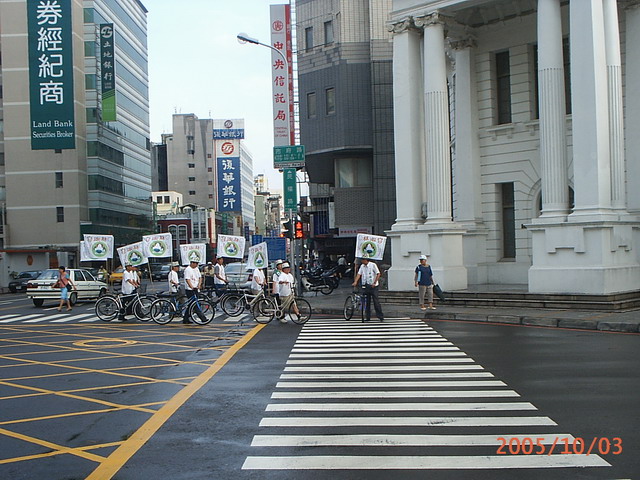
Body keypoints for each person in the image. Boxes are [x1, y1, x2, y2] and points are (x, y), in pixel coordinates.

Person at [352, 257, 384, 322]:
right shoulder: (362, 266)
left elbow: (378, 274)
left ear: (366, 260)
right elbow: (359, 274)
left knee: (376, 301)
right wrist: (355, 281)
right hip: (366, 285)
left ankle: (380, 316)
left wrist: (374, 282)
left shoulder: (373, 265)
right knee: (367, 301)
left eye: (362, 260)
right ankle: (367, 316)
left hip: (373, 286)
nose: (361, 261)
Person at [183, 260, 203, 324]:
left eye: (197, 263)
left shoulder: (196, 269)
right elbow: (187, 279)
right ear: (192, 263)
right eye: (195, 263)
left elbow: (200, 277)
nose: (196, 265)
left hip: (196, 289)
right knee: (195, 304)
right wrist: (192, 287)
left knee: (191, 305)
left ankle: (185, 319)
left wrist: (199, 285)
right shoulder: (188, 269)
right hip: (190, 290)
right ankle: (203, 318)